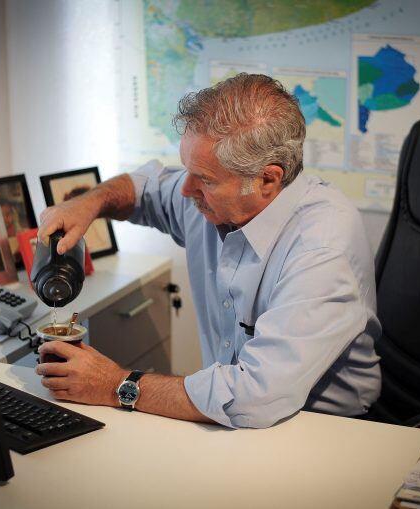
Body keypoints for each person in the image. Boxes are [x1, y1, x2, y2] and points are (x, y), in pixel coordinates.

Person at [36, 73, 381, 429]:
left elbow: (254, 396)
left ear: (267, 179)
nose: (185, 189)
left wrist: (113, 385)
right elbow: (143, 188)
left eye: (205, 179)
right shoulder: (210, 198)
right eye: (188, 169)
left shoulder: (321, 249)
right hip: (231, 418)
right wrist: (88, 203)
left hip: (320, 431)